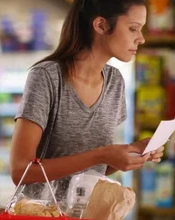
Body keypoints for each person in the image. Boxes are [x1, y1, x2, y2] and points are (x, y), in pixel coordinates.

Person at [10, 0, 164, 200]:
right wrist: (102, 154)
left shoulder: (115, 82)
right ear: (101, 25)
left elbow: (95, 168)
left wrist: (131, 154)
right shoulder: (47, 77)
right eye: (133, 28)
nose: (141, 39)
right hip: (40, 212)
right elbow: (21, 171)